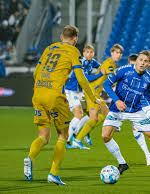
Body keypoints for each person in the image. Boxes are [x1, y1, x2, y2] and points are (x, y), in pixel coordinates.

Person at [24, 25, 101, 185]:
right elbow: (81, 78)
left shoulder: (49, 48)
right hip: (55, 95)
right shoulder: (74, 52)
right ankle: (53, 173)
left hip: (38, 92)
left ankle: (29, 157)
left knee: (43, 136)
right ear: (75, 39)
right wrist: (93, 97)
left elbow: (35, 72)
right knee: (63, 135)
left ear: (61, 37)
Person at [102, 50, 150, 176]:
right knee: (105, 136)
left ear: (149, 64)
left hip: (136, 111)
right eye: (140, 60)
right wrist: (117, 101)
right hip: (118, 109)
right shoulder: (123, 70)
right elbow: (106, 84)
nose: (142, 63)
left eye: (145, 61)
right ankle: (122, 163)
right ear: (136, 60)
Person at [72, 44, 123, 148]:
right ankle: (77, 139)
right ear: (112, 53)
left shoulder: (111, 64)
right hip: (91, 92)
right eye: (116, 52)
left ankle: (85, 132)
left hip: (94, 91)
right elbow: (111, 81)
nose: (118, 55)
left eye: (120, 53)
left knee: (104, 115)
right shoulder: (109, 64)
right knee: (95, 117)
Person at [65, 44, 105, 148]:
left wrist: (109, 70)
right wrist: (100, 74)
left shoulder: (92, 62)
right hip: (71, 90)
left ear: (94, 53)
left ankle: (83, 132)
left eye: (91, 52)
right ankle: (67, 140)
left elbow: (102, 67)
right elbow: (85, 78)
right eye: (87, 52)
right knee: (78, 115)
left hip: (79, 92)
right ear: (83, 53)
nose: (89, 54)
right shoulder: (81, 62)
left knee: (90, 115)